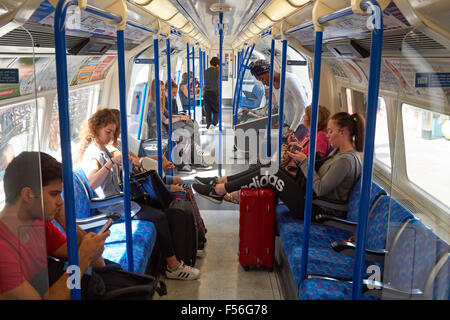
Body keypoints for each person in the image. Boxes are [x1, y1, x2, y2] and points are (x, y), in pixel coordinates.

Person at [79, 109, 201, 280]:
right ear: (96, 129)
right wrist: (111, 164)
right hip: (111, 206)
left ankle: (182, 249)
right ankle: (173, 266)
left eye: (113, 132)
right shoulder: (93, 154)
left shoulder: (104, 149)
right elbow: (92, 183)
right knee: (158, 217)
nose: (110, 136)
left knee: (159, 205)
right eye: (108, 132)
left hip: (119, 199)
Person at [193, 112, 364, 220]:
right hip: (311, 200)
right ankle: (220, 182)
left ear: (343, 133)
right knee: (268, 166)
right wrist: (302, 162)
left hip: (316, 210)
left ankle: (220, 190)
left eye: (331, 131)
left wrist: (304, 162)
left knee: (271, 174)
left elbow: (319, 188)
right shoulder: (340, 154)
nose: (328, 135)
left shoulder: (346, 160)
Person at [0, 151, 109, 299]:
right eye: (54, 194)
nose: (60, 201)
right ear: (28, 195)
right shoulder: (3, 250)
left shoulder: (38, 224)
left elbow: (98, 263)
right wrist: (82, 262)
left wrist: (65, 221)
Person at [225, 105, 331, 204]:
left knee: (262, 167)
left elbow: (315, 160)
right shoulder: (313, 133)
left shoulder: (321, 137)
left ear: (311, 119)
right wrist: (295, 144)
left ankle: (240, 193)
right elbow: (306, 149)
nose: (303, 117)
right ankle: (241, 190)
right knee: (258, 163)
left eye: (306, 115)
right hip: (295, 166)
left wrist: (296, 151)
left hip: (297, 172)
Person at [249, 59, 309, 141]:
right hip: (289, 123)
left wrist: (292, 129)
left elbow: (302, 104)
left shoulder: (288, 80)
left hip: (300, 124)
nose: (263, 83)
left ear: (269, 71)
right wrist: (281, 122)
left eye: (262, 79)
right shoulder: (273, 84)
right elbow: (282, 106)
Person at [203, 57, 220, 131]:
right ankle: (214, 123)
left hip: (206, 92)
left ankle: (208, 125)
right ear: (217, 64)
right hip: (214, 93)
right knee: (216, 110)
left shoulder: (205, 71)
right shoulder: (217, 71)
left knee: (208, 110)